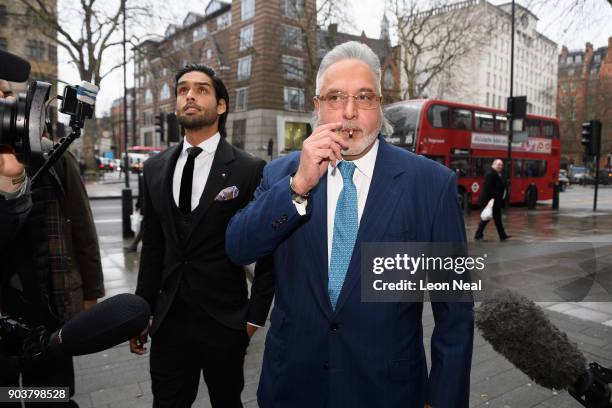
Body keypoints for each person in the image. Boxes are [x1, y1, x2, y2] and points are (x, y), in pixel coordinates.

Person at [226, 41, 473, 408]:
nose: (349, 112)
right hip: (293, 388)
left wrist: (444, 401)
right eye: (335, 97)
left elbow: (454, 313)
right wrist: (298, 187)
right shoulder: (281, 174)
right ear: (317, 106)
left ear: (380, 104)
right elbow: (238, 247)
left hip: (387, 391)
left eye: (364, 97)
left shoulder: (431, 185)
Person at [131, 64, 274, 408]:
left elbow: (268, 251)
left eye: (201, 89)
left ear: (221, 105)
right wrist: (141, 312)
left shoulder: (248, 168)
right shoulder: (154, 168)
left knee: (227, 402)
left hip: (224, 323)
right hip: (167, 324)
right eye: (182, 89)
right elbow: (153, 246)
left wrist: (253, 318)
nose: (190, 95)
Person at [0, 80, 105, 407]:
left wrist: (91, 295)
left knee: (49, 397)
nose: (4, 102)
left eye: (6, 94)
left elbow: (82, 228)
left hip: (47, 314)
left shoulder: (54, 156)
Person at [474, 158, 511, 241]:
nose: (500, 166)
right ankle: (478, 235)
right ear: (493, 165)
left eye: (501, 165)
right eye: (498, 164)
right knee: (486, 218)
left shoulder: (498, 174)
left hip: (495, 201)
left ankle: (502, 235)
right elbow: (488, 188)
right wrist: (491, 199)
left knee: (498, 219)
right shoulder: (491, 174)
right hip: (490, 201)